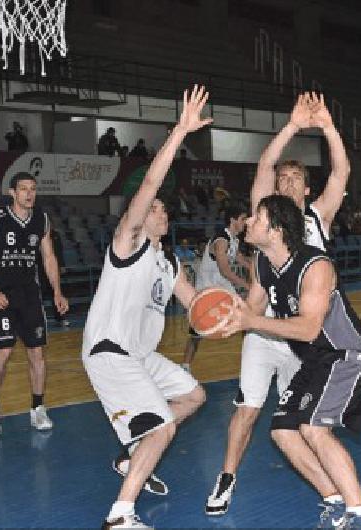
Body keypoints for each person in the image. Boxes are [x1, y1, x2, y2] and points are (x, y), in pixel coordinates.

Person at [205, 92, 352, 526]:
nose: (285, 182)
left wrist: (327, 127)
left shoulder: (318, 218)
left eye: (294, 178)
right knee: (247, 410)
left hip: (304, 338)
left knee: (301, 424)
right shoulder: (263, 215)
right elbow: (262, 169)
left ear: (306, 189)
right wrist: (291, 126)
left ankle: (332, 494)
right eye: (282, 177)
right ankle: (226, 478)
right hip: (261, 329)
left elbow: (341, 171)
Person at [82, 85, 212, 529]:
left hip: (138, 356)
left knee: (194, 396)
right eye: (151, 206)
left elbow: (198, 305)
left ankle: (132, 455)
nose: (157, 210)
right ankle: (120, 515)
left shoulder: (169, 262)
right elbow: (152, 181)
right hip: (109, 350)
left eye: (159, 209)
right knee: (162, 427)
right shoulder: (129, 241)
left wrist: (235, 316)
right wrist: (179, 131)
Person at [220, 194, 361, 530]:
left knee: (313, 428)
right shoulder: (262, 261)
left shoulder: (316, 265)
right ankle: (335, 500)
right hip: (314, 361)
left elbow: (309, 327)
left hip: (345, 354)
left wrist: (251, 323)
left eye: (257, 217)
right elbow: (251, 310)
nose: (248, 222)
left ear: (277, 229)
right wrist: (224, 316)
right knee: (283, 432)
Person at [0, 172, 69, 437]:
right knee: (3, 351)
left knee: (37, 353)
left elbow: (48, 258)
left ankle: (38, 408)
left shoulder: (41, 220)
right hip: (1, 294)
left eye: (33, 189)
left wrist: (57, 291)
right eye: (23, 189)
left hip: (30, 296)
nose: (29, 194)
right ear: (12, 192)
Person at [182, 204, 249, 371]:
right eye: (243, 219)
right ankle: (185, 366)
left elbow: (243, 261)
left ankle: (252, 361)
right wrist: (248, 285)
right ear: (233, 220)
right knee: (197, 333)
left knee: (246, 319)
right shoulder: (221, 240)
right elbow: (225, 271)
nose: (246, 222)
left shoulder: (234, 240)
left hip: (223, 288)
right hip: (207, 291)